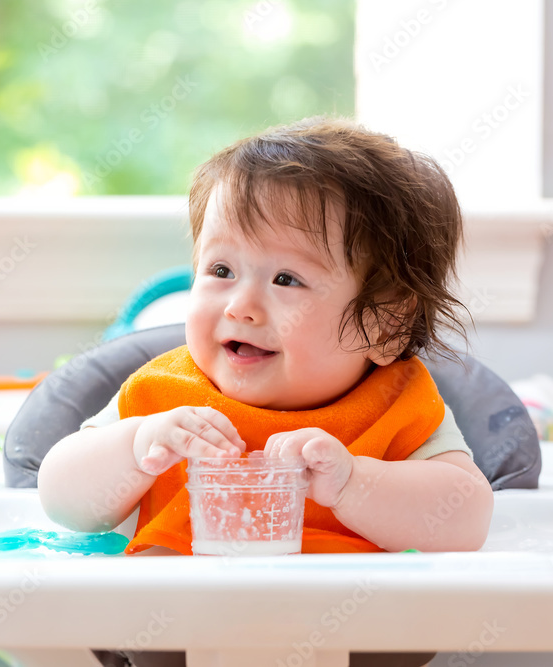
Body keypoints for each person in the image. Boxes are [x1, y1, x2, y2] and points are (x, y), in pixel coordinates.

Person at [38, 116, 494, 666]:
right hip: (179, 631)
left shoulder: (398, 403)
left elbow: (465, 519)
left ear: (385, 325)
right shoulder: (165, 395)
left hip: (355, 632)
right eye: (221, 269)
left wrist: (353, 483)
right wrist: (136, 447)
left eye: (286, 280)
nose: (240, 305)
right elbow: (63, 501)